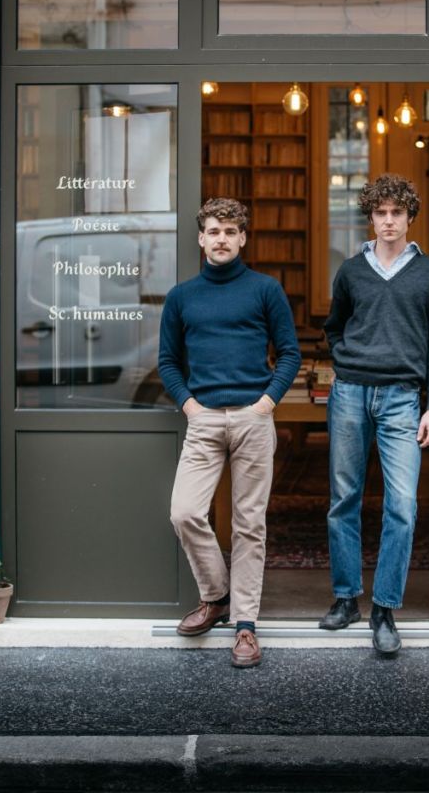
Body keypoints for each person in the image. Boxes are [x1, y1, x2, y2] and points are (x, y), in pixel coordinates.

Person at [159, 198, 301, 668]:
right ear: (201, 238)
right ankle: (216, 595)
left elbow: (290, 354)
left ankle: (245, 627)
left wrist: (265, 404)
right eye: (213, 231)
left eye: (230, 231)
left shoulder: (265, 290)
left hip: (253, 419)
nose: (221, 238)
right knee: (185, 512)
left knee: (248, 525)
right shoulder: (182, 297)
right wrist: (190, 406)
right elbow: (167, 362)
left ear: (243, 238)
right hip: (203, 421)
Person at [319, 173, 429, 655]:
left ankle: (385, 609)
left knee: (402, 506)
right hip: (351, 393)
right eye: (380, 213)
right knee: (343, 499)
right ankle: (346, 598)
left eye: (397, 213)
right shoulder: (351, 270)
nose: (388, 221)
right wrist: (347, 362)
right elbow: (334, 328)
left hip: (401, 398)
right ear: (371, 218)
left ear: (410, 217)